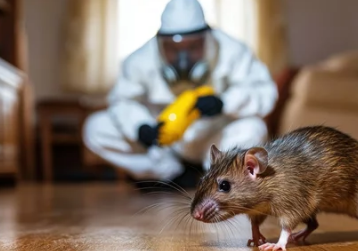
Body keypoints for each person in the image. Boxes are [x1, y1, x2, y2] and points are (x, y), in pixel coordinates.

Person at [83, 0, 277, 188]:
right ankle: (170, 174)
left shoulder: (233, 51)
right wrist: (139, 127)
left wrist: (224, 102)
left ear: (207, 39)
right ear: (160, 43)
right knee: (96, 128)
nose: (183, 59)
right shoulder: (140, 60)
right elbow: (121, 101)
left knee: (254, 128)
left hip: (213, 140)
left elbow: (266, 93)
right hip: (164, 146)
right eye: (173, 49)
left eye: (192, 47)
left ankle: (216, 177)